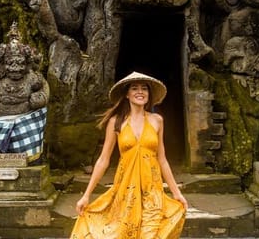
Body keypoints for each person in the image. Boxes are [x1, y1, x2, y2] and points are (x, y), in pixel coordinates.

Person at [70, 72, 188, 239]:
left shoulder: (157, 120)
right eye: (135, 88)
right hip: (125, 189)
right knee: (123, 233)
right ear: (127, 94)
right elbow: (103, 160)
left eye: (144, 88)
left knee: (149, 234)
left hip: (152, 189)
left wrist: (176, 193)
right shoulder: (116, 122)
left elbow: (162, 160)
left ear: (149, 94)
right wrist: (86, 195)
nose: (140, 92)